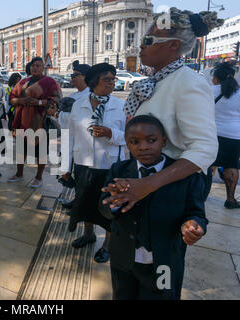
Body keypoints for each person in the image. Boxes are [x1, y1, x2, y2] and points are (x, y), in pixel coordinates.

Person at [106, 8, 224, 212]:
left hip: (169, 191)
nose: (141, 45)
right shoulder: (159, 80)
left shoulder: (188, 82)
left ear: (173, 45)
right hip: (145, 179)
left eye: (149, 40)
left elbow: (205, 148)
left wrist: (148, 184)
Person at [100, 115, 208, 300]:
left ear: (163, 141)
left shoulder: (185, 176)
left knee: (163, 296)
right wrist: (113, 203)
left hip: (164, 263)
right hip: (123, 260)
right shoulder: (119, 171)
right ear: (127, 144)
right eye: (134, 142)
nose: (143, 147)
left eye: (151, 140)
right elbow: (104, 211)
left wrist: (193, 224)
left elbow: (197, 213)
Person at [67, 63, 126, 264]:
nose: (112, 83)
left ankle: (107, 245)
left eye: (113, 79)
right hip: (83, 162)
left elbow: (131, 137)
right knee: (85, 203)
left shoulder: (120, 106)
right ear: (94, 82)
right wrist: (64, 167)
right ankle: (88, 234)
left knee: (108, 209)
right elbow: (70, 136)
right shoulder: (78, 104)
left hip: (109, 166)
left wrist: (111, 134)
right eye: (107, 79)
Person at [8, 57, 62, 188]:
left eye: (38, 65)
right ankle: (19, 174)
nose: (35, 68)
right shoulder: (23, 82)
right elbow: (11, 98)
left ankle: (39, 177)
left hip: (40, 121)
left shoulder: (50, 82)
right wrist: (21, 101)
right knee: (21, 150)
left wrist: (38, 102)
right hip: (22, 121)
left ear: (43, 67)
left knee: (40, 151)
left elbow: (57, 99)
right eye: (33, 65)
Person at [59, 60, 91, 211]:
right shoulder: (74, 95)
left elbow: (77, 120)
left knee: (82, 177)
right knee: (70, 173)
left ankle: (80, 205)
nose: (72, 78)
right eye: (72, 75)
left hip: (82, 143)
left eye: (75, 75)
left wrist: (61, 114)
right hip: (69, 140)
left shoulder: (90, 96)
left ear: (86, 77)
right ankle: (77, 202)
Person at [210, 62, 240, 209]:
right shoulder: (239, 92)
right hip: (233, 136)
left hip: (211, 133)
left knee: (206, 164)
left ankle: (200, 195)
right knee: (231, 165)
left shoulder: (209, 90)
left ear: (216, 78)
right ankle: (230, 200)